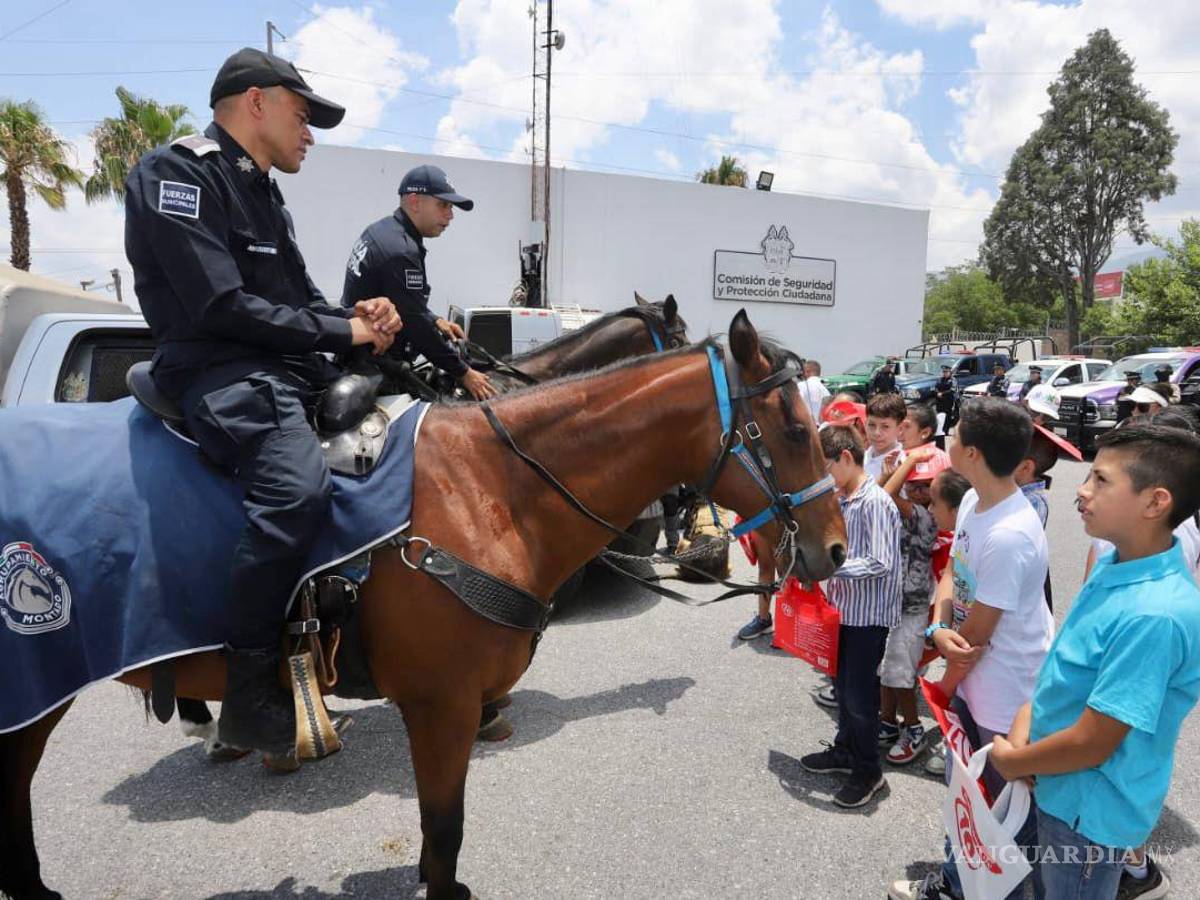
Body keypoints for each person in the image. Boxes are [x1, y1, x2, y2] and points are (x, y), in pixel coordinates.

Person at [124, 48, 402, 760]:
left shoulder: (265, 194)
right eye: (302, 117)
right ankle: (248, 692)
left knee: (398, 442)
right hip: (220, 372)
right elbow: (219, 304)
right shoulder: (176, 173)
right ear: (256, 103)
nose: (309, 134)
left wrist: (359, 317)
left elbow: (300, 300)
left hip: (282, 367)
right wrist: (343, 331)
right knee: (295, 493)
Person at [990, 424, 1200, 900]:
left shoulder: (1155, 614)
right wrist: (1026, 718)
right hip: (1057, 783)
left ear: (1155, 503)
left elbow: (1093, 743)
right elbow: (1067, 666)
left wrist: (1013, 760)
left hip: (1088, 812)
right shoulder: (1115, 563)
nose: (1082, 490)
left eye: (1101, 480)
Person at [889, 397, 1052, 900]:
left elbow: (975, 641)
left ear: (974, 453)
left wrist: (943, 689)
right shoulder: (973, 504)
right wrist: (939, 627)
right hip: (972, 681)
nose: (948, 439)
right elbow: (953, 573)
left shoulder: (1009, 534)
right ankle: (957, 884)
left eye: (955, 434)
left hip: (1004, 696)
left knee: (1002, 822)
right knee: (970, 802)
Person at [801, 425, 901, 809]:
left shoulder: (875, 502)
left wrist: (829, 568)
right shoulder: (841, 499)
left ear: (845, 457)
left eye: (825, 467)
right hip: (841, 613)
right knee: (841, 689)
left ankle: (868, 770)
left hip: (867, 618)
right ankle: (845, 750)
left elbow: (880, 561)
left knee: (859, 697)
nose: (824, 477)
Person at [342, 164, 497, 400]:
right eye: (443, 205)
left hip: (361, 357)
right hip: (374, 370)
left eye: (451, 207)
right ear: (415, 202)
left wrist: (434, 319)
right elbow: (416, 326)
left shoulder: (382, 231)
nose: (450, 215)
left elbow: (404, 302)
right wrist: (464, 373)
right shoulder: (400, 250)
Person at [877, 446, 950, 765]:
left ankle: (914, 728)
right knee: (887, 669)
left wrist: (905, 465)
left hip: (912, 608)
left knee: (900, 673)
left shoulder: (926, 517)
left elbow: (885, 495)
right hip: (894, 603)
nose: (918, 491)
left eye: (926, 486)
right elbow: (879, 496)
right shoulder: (911, 512)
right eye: (913, 485)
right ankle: (887, 721)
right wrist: (893, 472)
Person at [863, 392, 907, 482]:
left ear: (900, 429)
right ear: (865, 424)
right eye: (872, 425)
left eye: (885, 426)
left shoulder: (903, 463)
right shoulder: (860, 458)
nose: (877, 433)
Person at [932, 364, 956, 449]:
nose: (945, 373)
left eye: (946, 372)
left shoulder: (952, 380)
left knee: (947, 416)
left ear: (950, 372)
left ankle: (946, 431)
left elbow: (952, 390)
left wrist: (942, 393)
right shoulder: (940, 379)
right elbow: (935, 387)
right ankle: (940, 430)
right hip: (940, 401)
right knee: (939, 416)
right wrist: (937, 393)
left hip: (948, 401)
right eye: (944, 372)